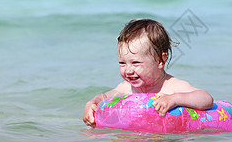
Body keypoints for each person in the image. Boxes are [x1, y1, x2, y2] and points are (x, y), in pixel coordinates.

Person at [83, 19, 213, 127]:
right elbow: (104, 97)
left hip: (164, 140)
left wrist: (175, 99)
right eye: (122, 63)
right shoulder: (126, 87)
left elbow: (206, 99)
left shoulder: (171, 86)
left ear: (160, 60)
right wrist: (92, 103)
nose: (128, 70)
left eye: (135, 63)